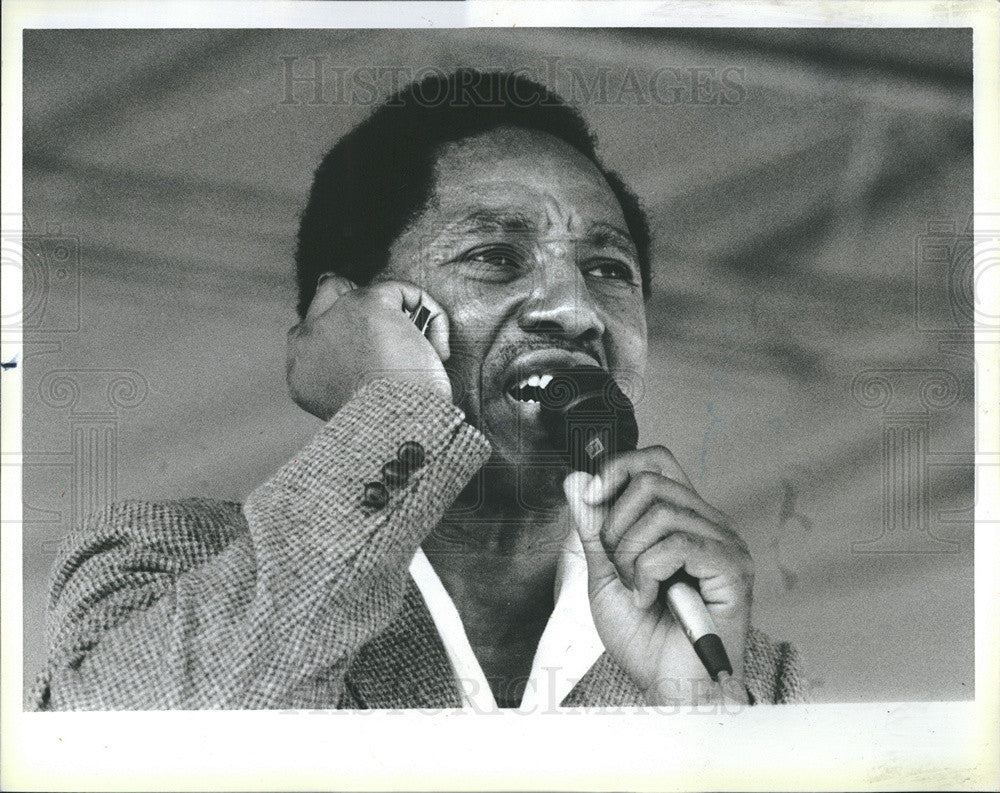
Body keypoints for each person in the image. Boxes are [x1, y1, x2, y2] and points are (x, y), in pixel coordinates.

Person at [33, 70, 803, 711]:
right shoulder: (170, 565)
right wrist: (395, 411)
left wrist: (704, 727)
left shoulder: (741, 668)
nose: (576, 310)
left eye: (609, 270)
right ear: (360, 320)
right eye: (498, 256)